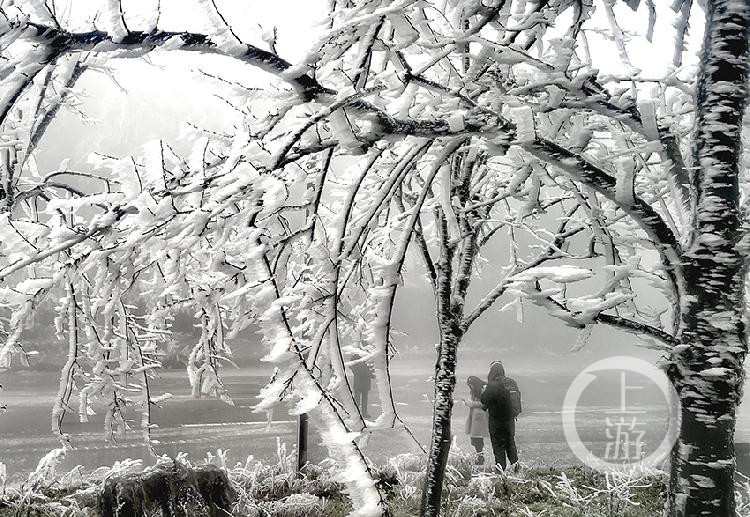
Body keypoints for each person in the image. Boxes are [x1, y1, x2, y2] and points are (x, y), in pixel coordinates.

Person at [480, 361, 521, 471]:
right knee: (510, 443)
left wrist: (484, 391)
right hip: (509, 420)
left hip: (495, 421)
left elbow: (484, 401)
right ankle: (517, 469)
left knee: (498, 446)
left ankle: (500, 471)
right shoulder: (511, 382)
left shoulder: (492, 385)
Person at [464, 376, 489, 465]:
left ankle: (480, 458)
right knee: (475, 439)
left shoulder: (483, 391)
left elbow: (484, 403)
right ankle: (480, 456)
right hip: (475, 417)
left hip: (480, 418)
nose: (470, 387)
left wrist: (471, 404)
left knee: (477, 438)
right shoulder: (475, 391)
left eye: (471, 385)